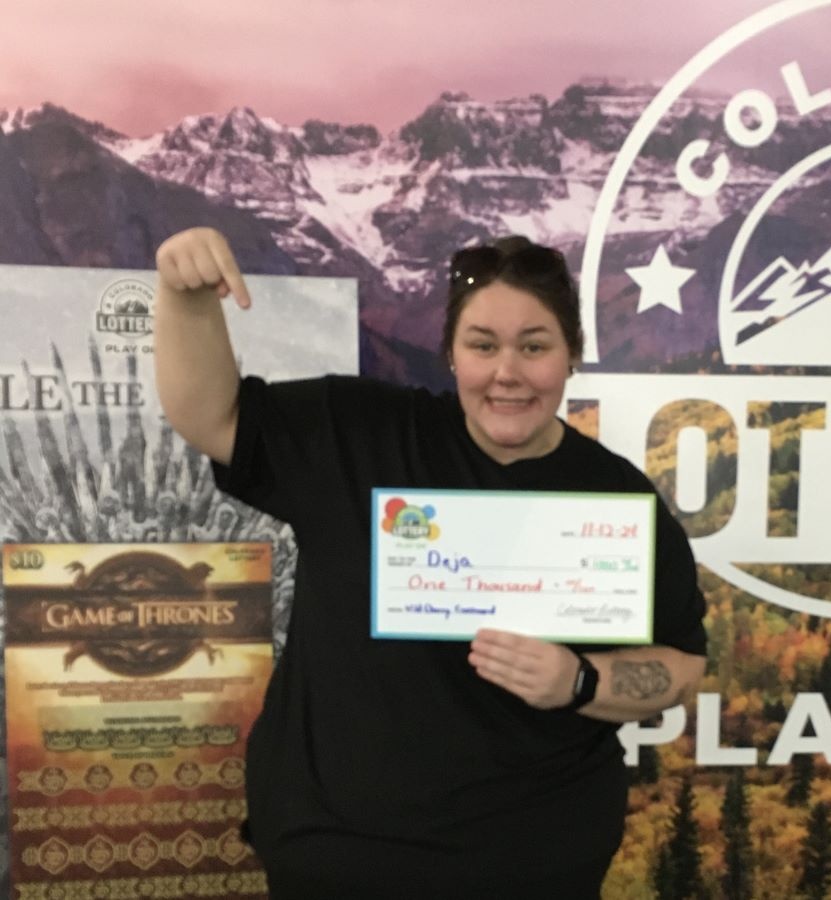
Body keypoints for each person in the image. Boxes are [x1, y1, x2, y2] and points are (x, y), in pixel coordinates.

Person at [153, 227, 708, 899]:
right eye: (482, 345)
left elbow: (681, 669)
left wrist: (580, 681)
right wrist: (185, 298)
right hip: (337, 861)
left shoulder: (617, 499)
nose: (508, 372)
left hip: (534, 868)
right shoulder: (357, 433)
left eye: (535, 346)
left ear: (571, 357)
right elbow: (208, 415)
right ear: (450, 352)